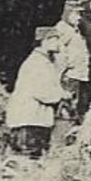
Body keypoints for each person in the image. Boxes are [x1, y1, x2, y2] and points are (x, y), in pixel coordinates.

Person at [5, 29, 69, 159]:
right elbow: (41, 92)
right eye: (55, 39)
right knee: (27, 158)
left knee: (32, 158)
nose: (58, 43)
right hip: (28, 119)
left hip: (35, 118)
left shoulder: (44, 62)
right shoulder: (37, 63)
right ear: (45, 42)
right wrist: (61, 96)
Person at [52, 0, 91, 121]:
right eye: (76, 14)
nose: (79, 18)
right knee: (66, 107)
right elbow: (58, 52)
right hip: (69, 75)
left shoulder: (75, 29)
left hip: (77, 74)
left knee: (74, 105)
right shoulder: (62, 29)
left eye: (80, 14)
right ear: (68, 14)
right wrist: (63, 71)